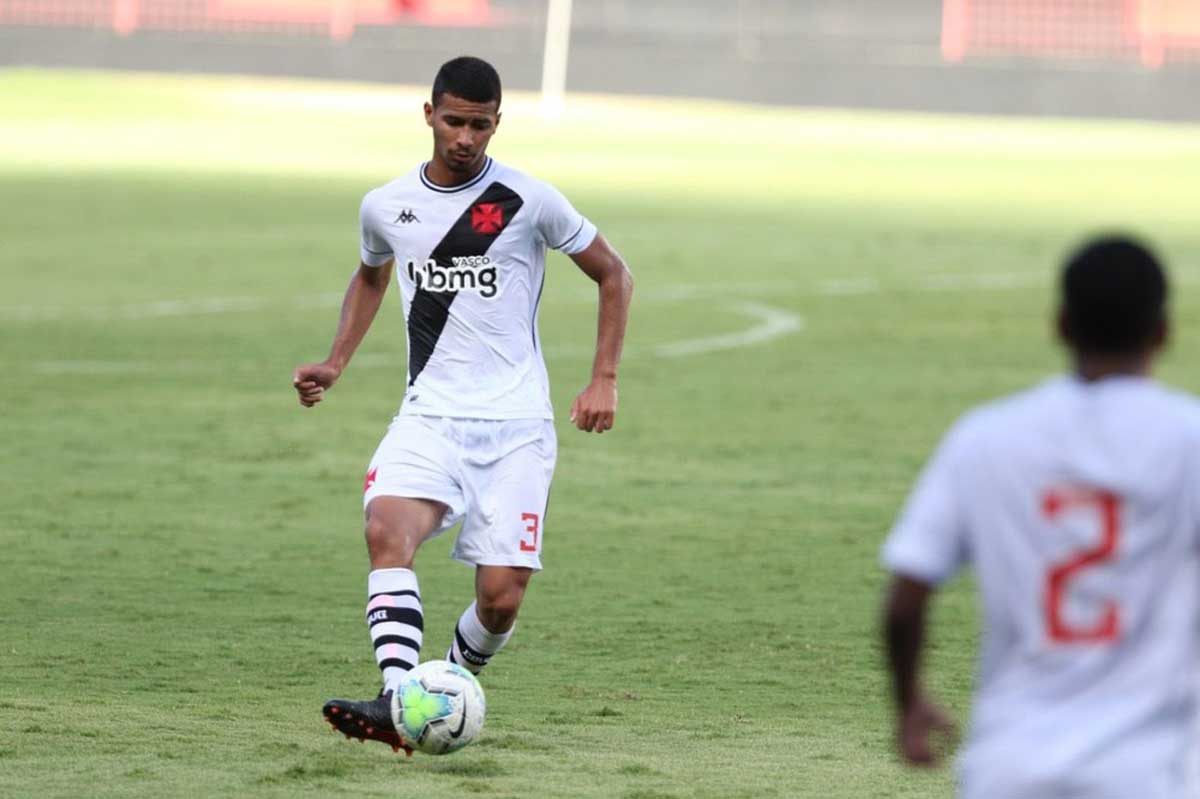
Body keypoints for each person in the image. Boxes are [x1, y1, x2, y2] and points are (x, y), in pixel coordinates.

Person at [293, 55, 633, 753]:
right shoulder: (386, 204)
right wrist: (335, 361)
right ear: (428, 115)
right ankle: (397, 698)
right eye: (453, 121)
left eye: (480, 125)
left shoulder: (526, 199)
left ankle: (442, 684)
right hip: (430, 417)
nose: (465, 138)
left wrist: (605, 376)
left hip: (516, 430)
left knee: (501, 597)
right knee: (387, 529)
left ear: (496, 123)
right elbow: (370, 274)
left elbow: (613, 274)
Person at [881, 236, 1200, 798]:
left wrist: (909, 702)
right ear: (1162, 331)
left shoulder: (985, 438)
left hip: (1010, 765)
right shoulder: (1188, 439)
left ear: (1061, 324)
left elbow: (906, 601)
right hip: (1146, 769)